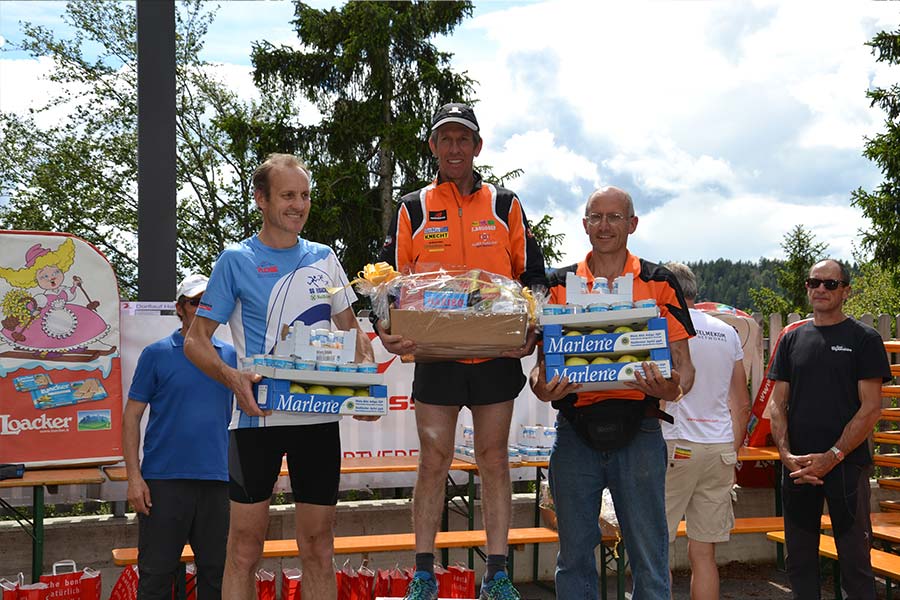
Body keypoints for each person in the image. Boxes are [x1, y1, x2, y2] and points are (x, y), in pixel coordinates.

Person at [184, 153, 376, 600]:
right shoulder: (236, 259)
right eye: (288, 195)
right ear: (261, 199)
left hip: (318, 417)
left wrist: (366, 388)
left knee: (319, 547)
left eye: (304, 195)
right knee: (244, 549)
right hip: (258, 420)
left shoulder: (324, 257)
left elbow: (353, 333)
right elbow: (196, 341)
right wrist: (233, 379)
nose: (298, 205)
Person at [377, 102, 548, 600]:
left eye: (463, 139)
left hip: (495, 354)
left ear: (477, 146)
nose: (455, 148)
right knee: (434, 459)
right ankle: (424, 573)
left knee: (494, 459)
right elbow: (387, 284)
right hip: (437, 355)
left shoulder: (505, 204)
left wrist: (532, 326)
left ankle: (497, 574)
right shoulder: (413, 207)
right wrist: (385, 328)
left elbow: (533, 277)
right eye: (446, 139)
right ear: (433, 146)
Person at [529, 186, 696, 599]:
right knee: (573, 558)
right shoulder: (558, 284)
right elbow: (540, 369)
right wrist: (543, 389)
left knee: (649, 556)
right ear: (585, 224)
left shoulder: (659, 281)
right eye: (596, 217)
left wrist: (669, 387)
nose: (604, 226)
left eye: (614, 217)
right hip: (574, 431)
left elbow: (685, 370)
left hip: (640, 430)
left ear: (632, 224)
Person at [768, 258, 891, 600]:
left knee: (855, 563)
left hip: (846, 466)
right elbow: (777, 404)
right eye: (814, 282)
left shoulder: (864, 339)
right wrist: (786, 455)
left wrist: (832, 456)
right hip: (799, 468)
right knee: (799, 562)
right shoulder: (792, 339)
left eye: (830, 284)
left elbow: (871, 407)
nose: (820, 289)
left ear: (846, 291)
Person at [123, 273, 236, 599]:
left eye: (208, 302)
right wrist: (134, 478)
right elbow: (131, 417)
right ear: (180, 308)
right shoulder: (156, 354)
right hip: (164, 482)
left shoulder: (230, 356)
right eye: (195, 302)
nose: (203, 308)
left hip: (217, 481)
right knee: (156, 577)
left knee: (217, 577)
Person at [661, 262, 751, 600]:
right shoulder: (726, 331)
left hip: (675, 442)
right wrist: (733, 451)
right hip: (719, 447)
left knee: (656, 548)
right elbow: (742, 403)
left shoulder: (665, 326)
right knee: (704, 554)